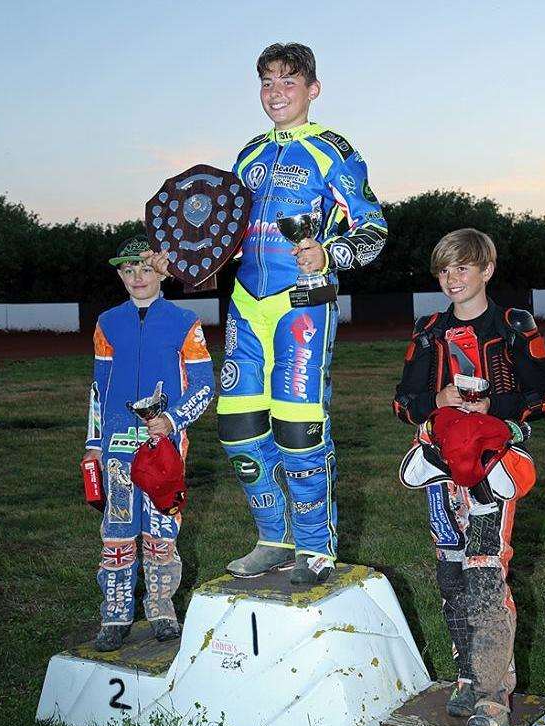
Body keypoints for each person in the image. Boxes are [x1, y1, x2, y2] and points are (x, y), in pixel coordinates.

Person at [146, 43, 387, 585]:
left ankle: (315, 547)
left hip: (302, 306)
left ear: (313, 89)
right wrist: (175, 257)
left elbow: (374, 230)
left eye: (288, 82)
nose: (276, 92)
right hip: (245, 308)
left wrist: (331, 254)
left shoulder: (334, 151)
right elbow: (221, 238)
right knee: (238, 428)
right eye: (267, 82)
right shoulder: (248, 156)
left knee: (299, 430)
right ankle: (272, 538)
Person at [393, 228, 545, 726]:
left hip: (493, 468)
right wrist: (437, 403)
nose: (453, 279)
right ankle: (466, 676)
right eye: (445, 270)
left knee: (486, 575)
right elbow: (402, 402)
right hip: (438, 467)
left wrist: (497, 409)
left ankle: (493, 695)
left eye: (463, 268)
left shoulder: (514, 325)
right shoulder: (426, 331)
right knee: (451, 577)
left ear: (487, 270)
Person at [82, 235, 215, 652]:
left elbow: (205, 385)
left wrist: (172, 419)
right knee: (118, 534)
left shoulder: (184, 321)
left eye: (144, 267)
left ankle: (161, 610)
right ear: (118, 274)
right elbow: (98, 390)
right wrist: (93, 443)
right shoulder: (108, 323)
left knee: (162, 532)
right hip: (116, 449)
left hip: (166, 449)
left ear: (160, 270)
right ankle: (115, 615)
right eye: (127, 269)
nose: (137, 277)